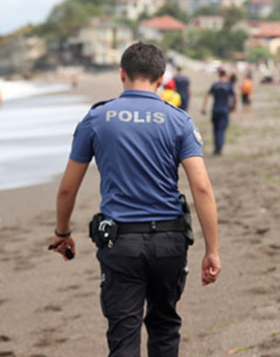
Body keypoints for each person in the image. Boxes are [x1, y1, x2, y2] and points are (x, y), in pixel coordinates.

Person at [48, 42, 221, 357]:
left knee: (123, 333)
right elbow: (202, 188)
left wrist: (63, 232)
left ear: (122, 74)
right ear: (161, 78)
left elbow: (67, 189)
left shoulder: (97, 119)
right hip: (170, 240)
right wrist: (212, 250)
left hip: (121, 243)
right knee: (165, 325)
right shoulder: (179, 120)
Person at [201, 69, 236, 156]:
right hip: (224, 110)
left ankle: (216, 148)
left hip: (215, 109)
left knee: (216, 129)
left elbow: (207, 95)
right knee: (221, 129)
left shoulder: (215, 84)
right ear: (225, 75)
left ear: (219, 75)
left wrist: (204, 107)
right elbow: (235, 96)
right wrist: (234, 107)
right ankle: (219, 148)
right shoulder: (229, 85)